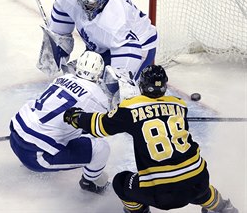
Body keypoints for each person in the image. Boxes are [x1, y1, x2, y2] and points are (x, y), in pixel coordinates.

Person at [63, 65, 238, 213]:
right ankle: (223, 207)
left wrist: (76, 117)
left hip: (161, 194)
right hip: (198, 180)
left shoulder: (130, 108)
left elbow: (99, 126)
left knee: (121, 182)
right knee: (198, 186)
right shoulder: (179, 105)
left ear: (142, 86)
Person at [10, 51, 112, 194]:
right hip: (36, 156)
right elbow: (103, 127)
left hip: (15, 137)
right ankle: (90, 183)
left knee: (69, 128)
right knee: (101, 148)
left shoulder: (63, 78)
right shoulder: (97, 95)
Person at [37, 0, 158, 94]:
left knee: (112, 95)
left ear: (102, 0)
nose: (86, 9)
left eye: (91, 6)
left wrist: (116, 86)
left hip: (140, 45)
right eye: (83, 4)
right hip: (105, 45)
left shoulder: (114, 23)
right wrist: (56, 47)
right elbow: (59, 28)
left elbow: (130, 54)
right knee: (78, 81)